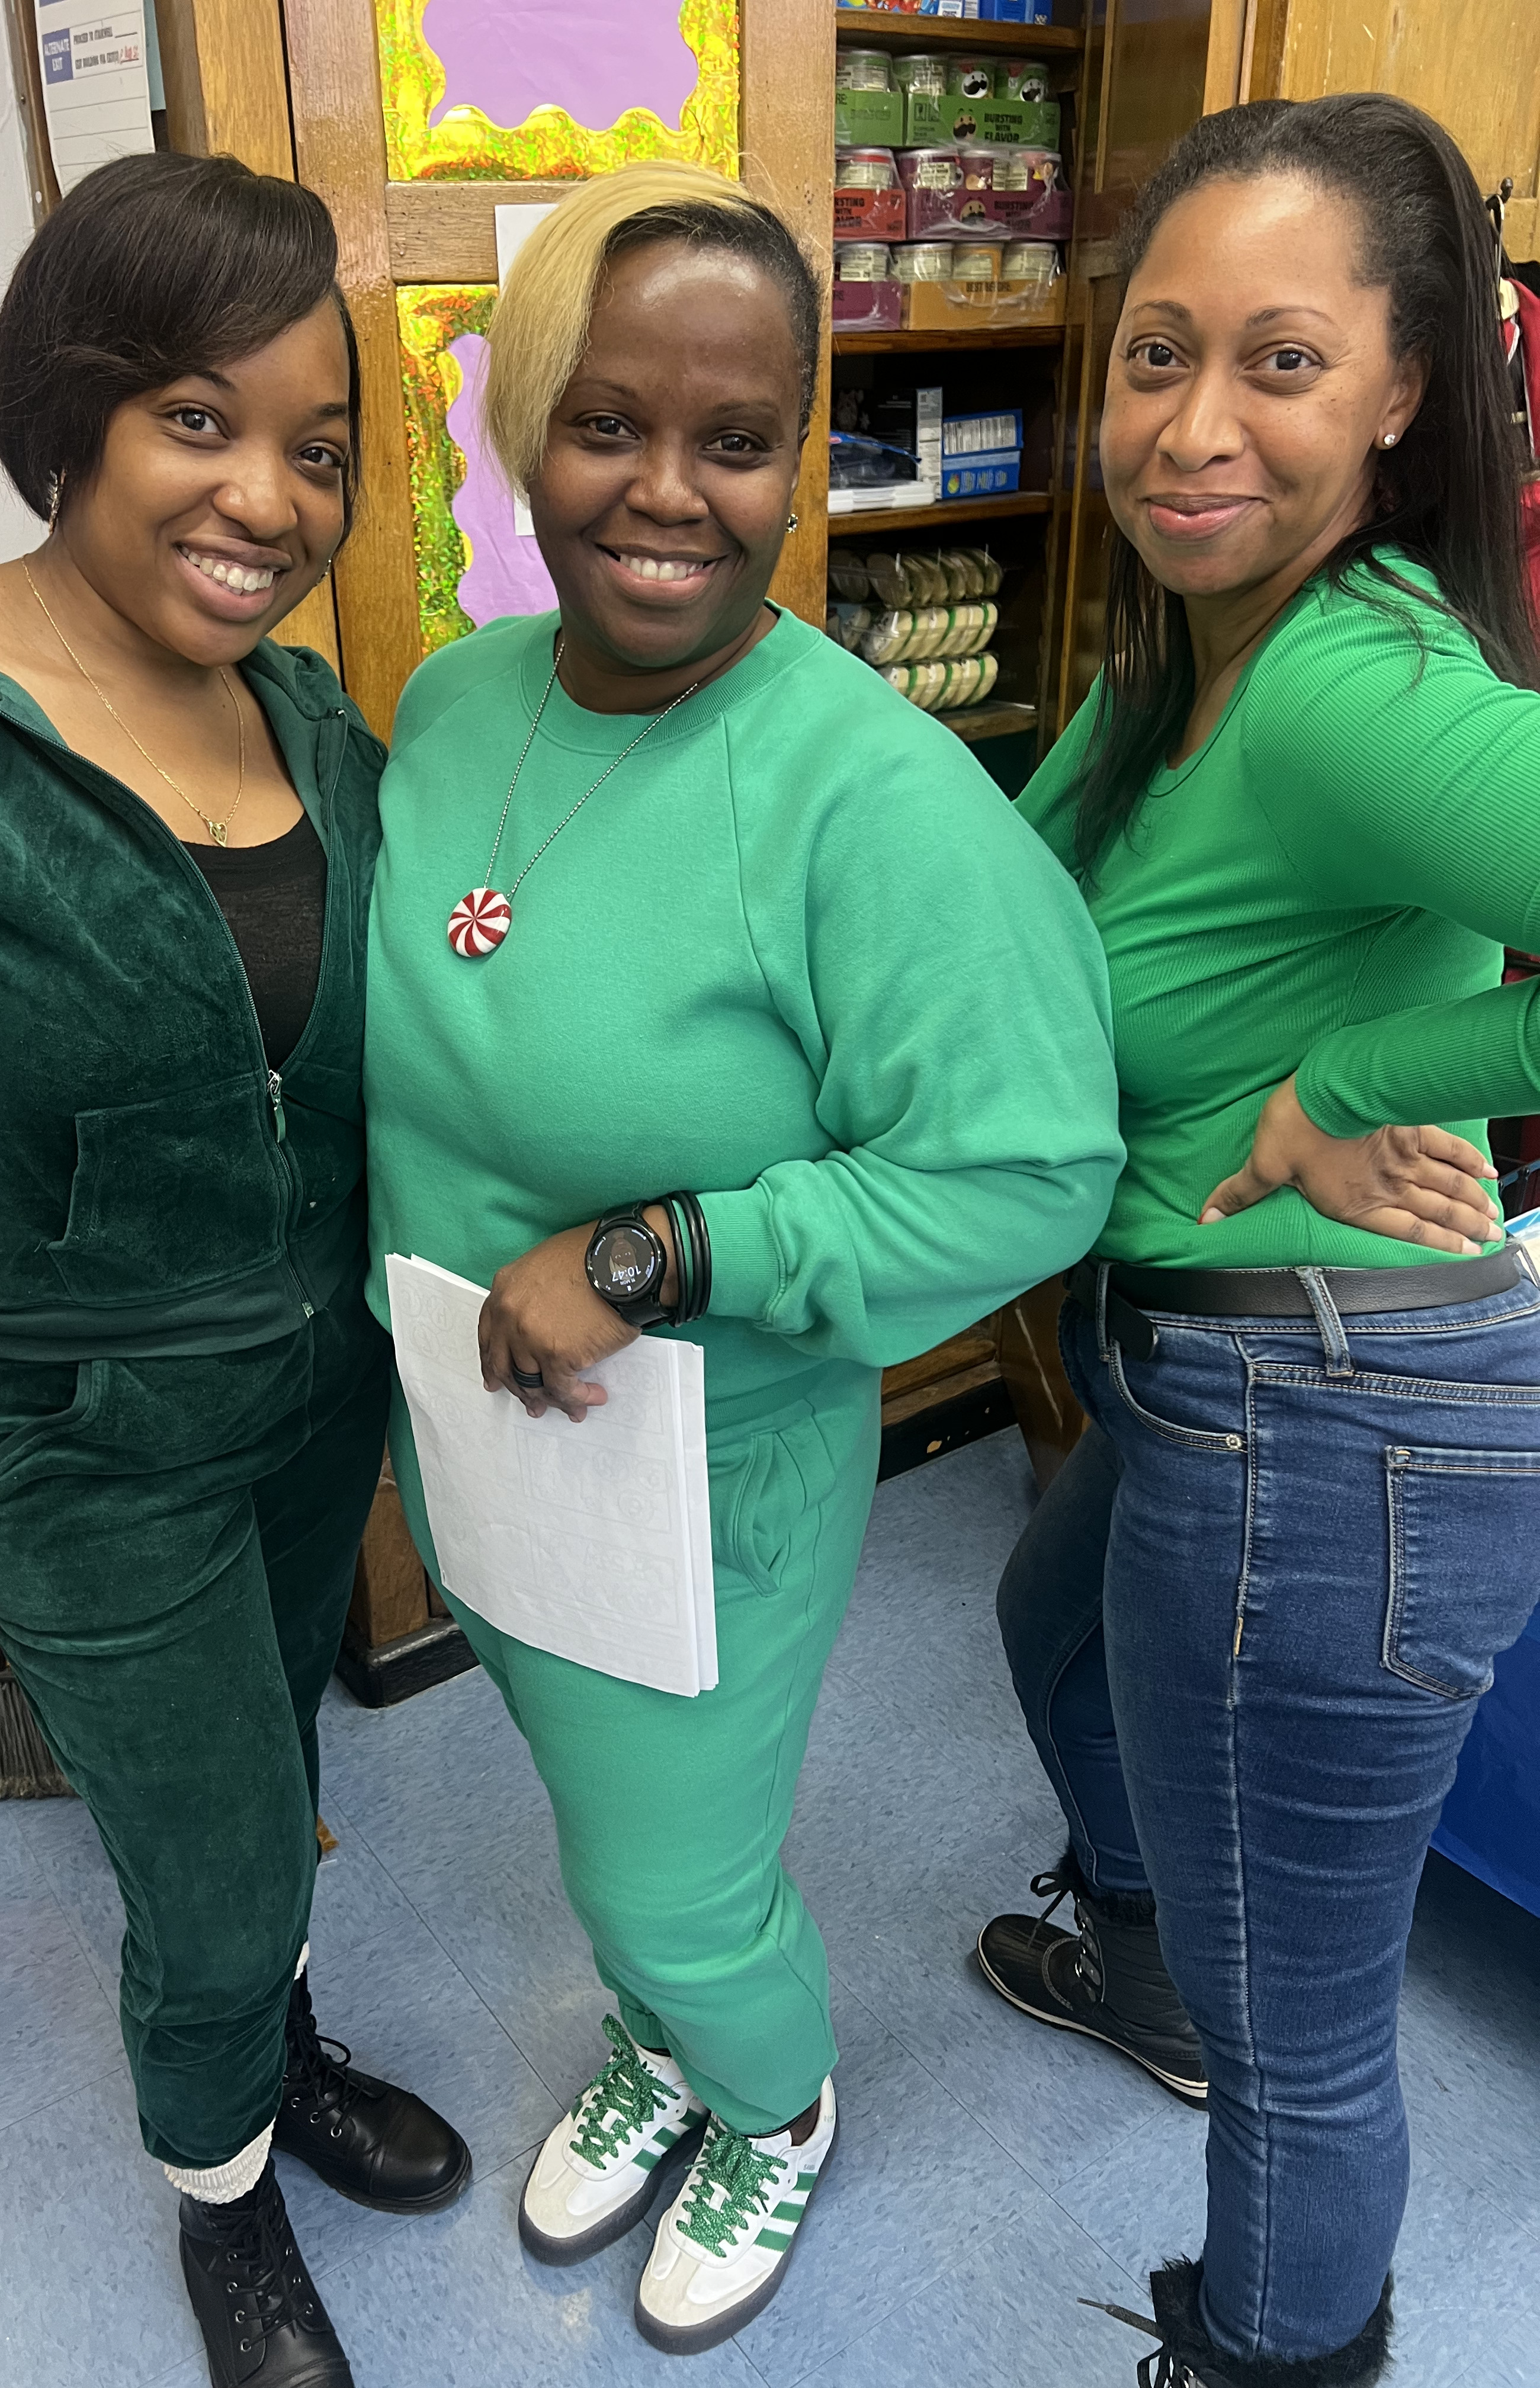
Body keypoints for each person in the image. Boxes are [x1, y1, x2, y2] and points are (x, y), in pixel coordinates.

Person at [362, 161, 1124, 2353]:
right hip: (481, 1442)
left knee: (672, 1877)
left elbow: (1024, 1169)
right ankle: (670, 2044)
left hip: (706, 1480)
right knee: (587, 1809)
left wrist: (665, 1249)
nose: (669, 492)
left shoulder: (867, 799)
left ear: (803, 451)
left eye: (739, 437)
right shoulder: (457, 705)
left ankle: (767, 2099)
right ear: (520, 426)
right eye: (609, 422)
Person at [0, 152, 469, 2388]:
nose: (268, 493)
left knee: (252, 1770)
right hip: (62, 1438)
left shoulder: (321, 729)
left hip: (299, 1405)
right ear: (67, 408)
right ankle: (223, 2193)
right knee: (228, 1834)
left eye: (319, 450)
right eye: (197, 416)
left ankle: (270, 2036)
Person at [971, 95, 1540, 2388]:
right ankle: (1146, 1956)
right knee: (1048, 1624)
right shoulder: (1183, 656)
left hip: (1327, 1419)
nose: (1189, 428)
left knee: (1313, 2048)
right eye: (1156, 355)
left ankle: (1269, 2357)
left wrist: (1371, 1090)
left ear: (1403, 393)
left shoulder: (1342, 683)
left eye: (1280, 365)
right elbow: (987, 925)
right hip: (1209, 1370)